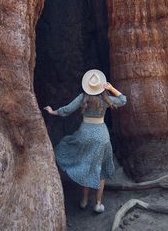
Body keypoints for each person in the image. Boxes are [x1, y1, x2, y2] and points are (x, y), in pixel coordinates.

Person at [44, 69, 127, 213]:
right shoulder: (106, 99)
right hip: (101, 135)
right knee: (100, 170)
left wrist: (53, 112)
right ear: (101, 85)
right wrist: (111, 88)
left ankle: (83, 201)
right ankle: (98, 204)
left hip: (85, 133)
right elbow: (123, 100)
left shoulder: (83, 97)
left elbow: (67, 109)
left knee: (86, 165)